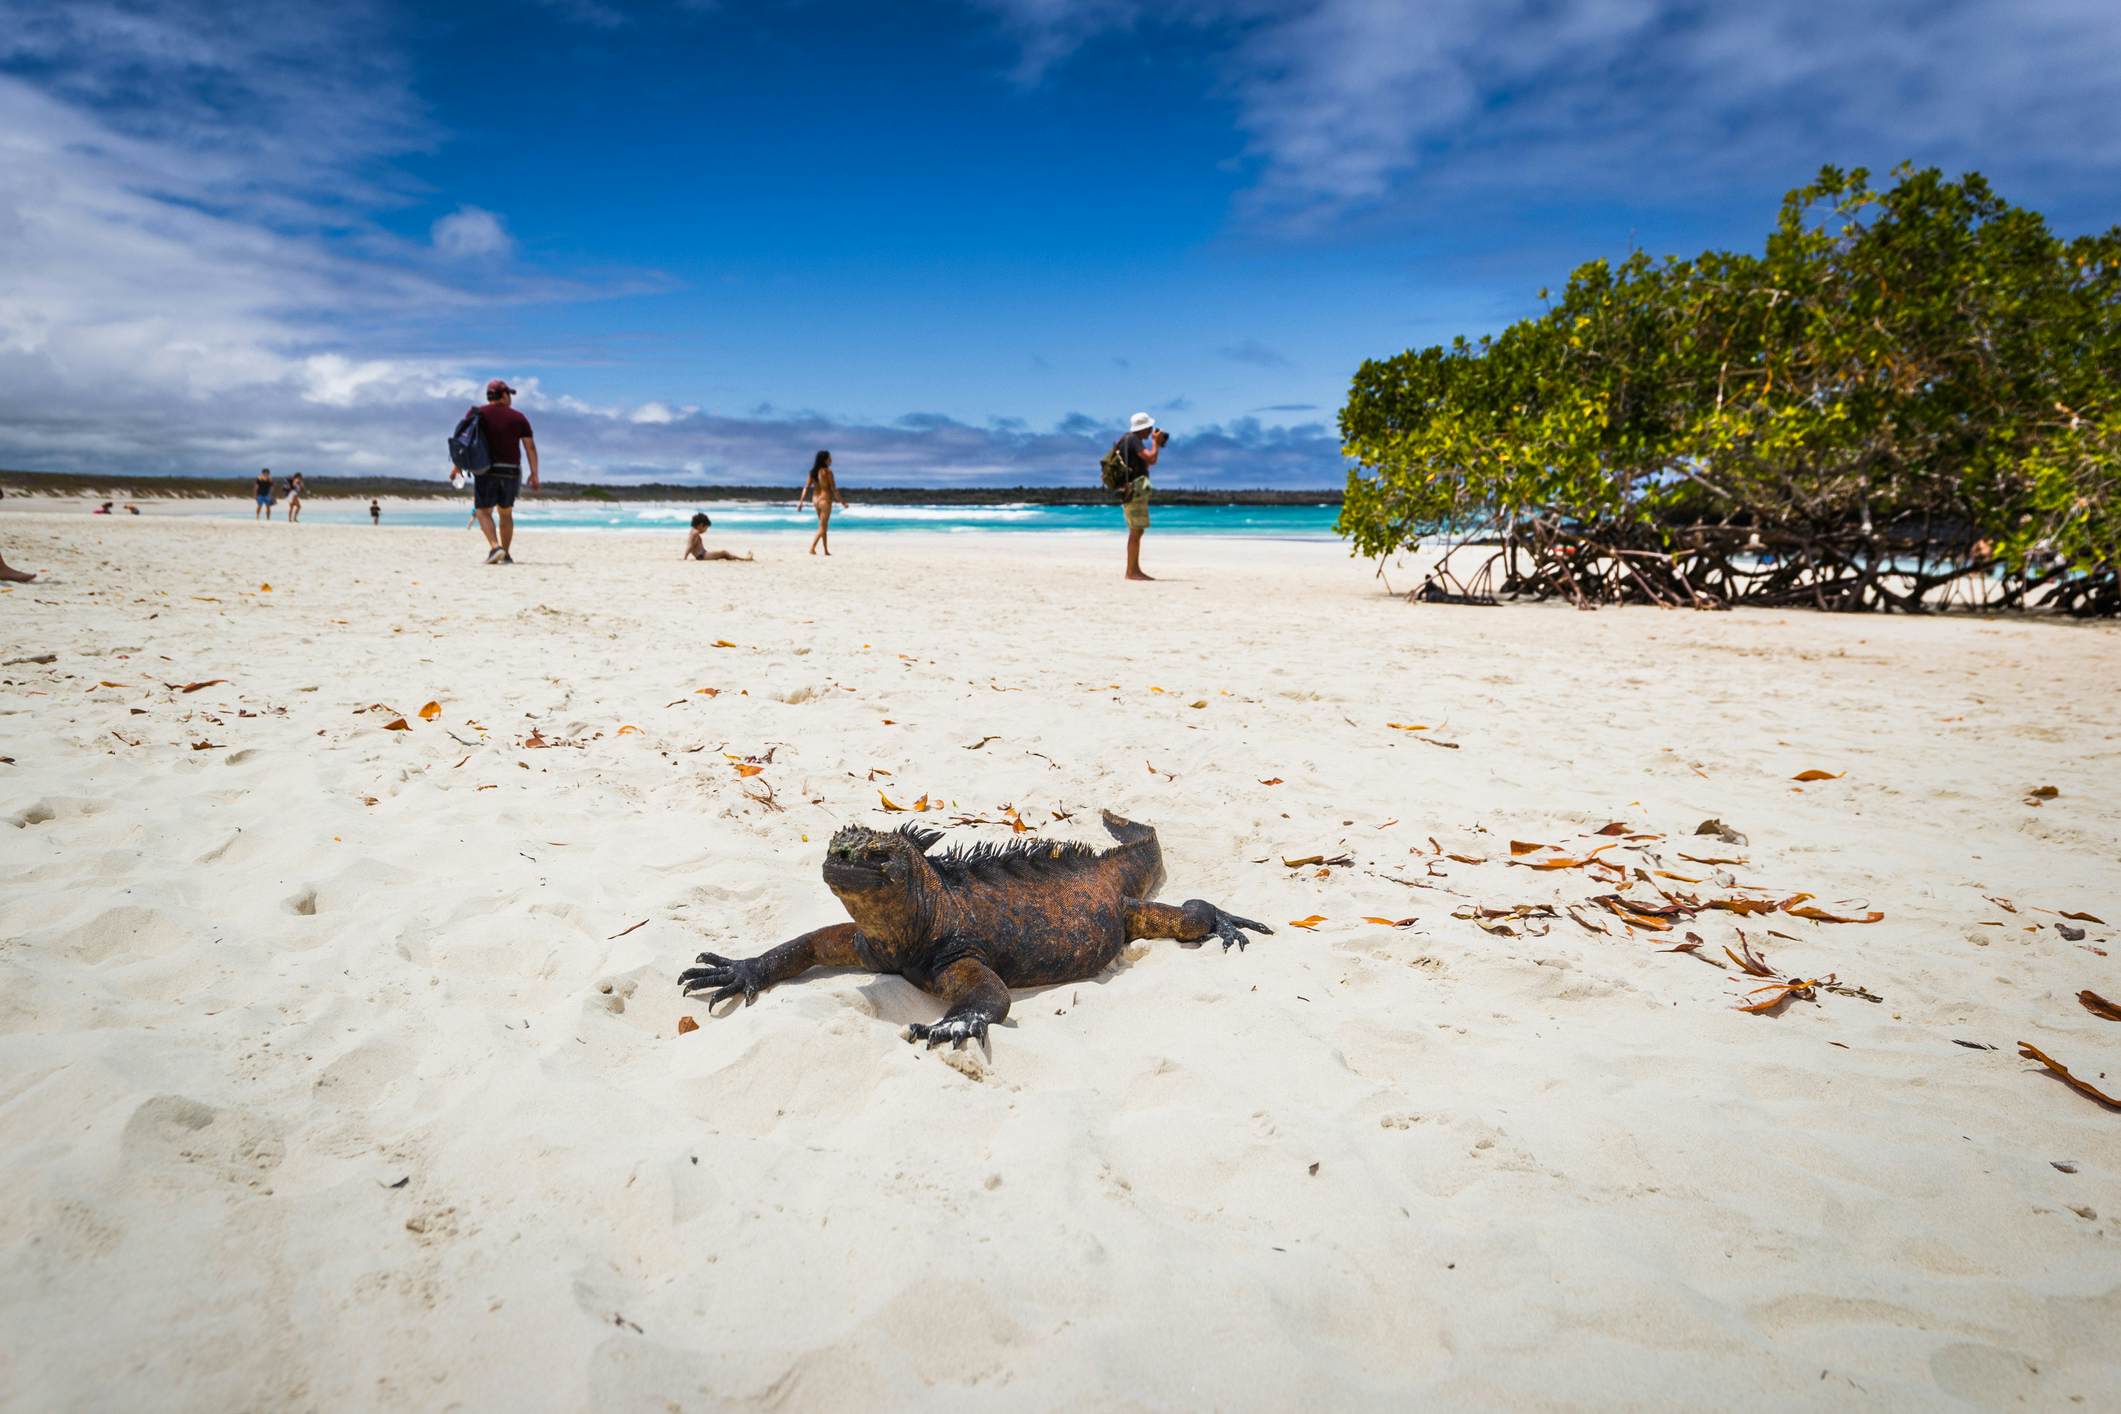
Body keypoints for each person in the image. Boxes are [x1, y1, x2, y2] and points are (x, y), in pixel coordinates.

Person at [453, 378, 538, 564]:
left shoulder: (477, 413)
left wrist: (457, 466)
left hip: (486, 470)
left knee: (483, 512)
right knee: (505, 513)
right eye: (509, 394)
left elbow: (463, 442)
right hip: (511, 471)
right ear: (504, 395)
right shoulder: (518, 417)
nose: (511, 399)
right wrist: (534, 473)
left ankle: (495, 547)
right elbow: (529, 447)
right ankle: (505, 553)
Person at [1115, 412, 1167, 581]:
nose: (1151, 430)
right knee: (1136, 531)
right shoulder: (1133, 440)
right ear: (1143, 428)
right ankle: (1131, 572)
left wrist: (1155, 444)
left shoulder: (1125, 440)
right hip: (1134, 489)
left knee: (1137, 530)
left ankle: (1134, 569)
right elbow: (1151, 459)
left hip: (1130, 489)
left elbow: (1145, 463)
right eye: (1149, 428)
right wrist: (1156, 443)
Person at [797, 450, 847, 556]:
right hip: (825, 499)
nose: (831, 460)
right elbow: (834, 489)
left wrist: (801, 502)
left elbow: (806, 488)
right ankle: (812, 548)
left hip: (815, 500)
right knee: (823, 527)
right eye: (829, 458)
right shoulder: (828, 472)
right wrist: (843, 502)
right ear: (824, 460)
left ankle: (825, 550)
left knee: (823, 525)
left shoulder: (812, 472)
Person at [685, 512, 755, 562]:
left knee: (724, 554)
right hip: (702, 556)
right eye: (706, 528)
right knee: (724, 553)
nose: (706, 530)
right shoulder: (696, 533)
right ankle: (745, 559)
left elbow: (690, 545)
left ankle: (744, 558)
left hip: (702, 554)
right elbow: (690, 546)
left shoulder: (692, 531)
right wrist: (685, 557)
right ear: (701, 525)